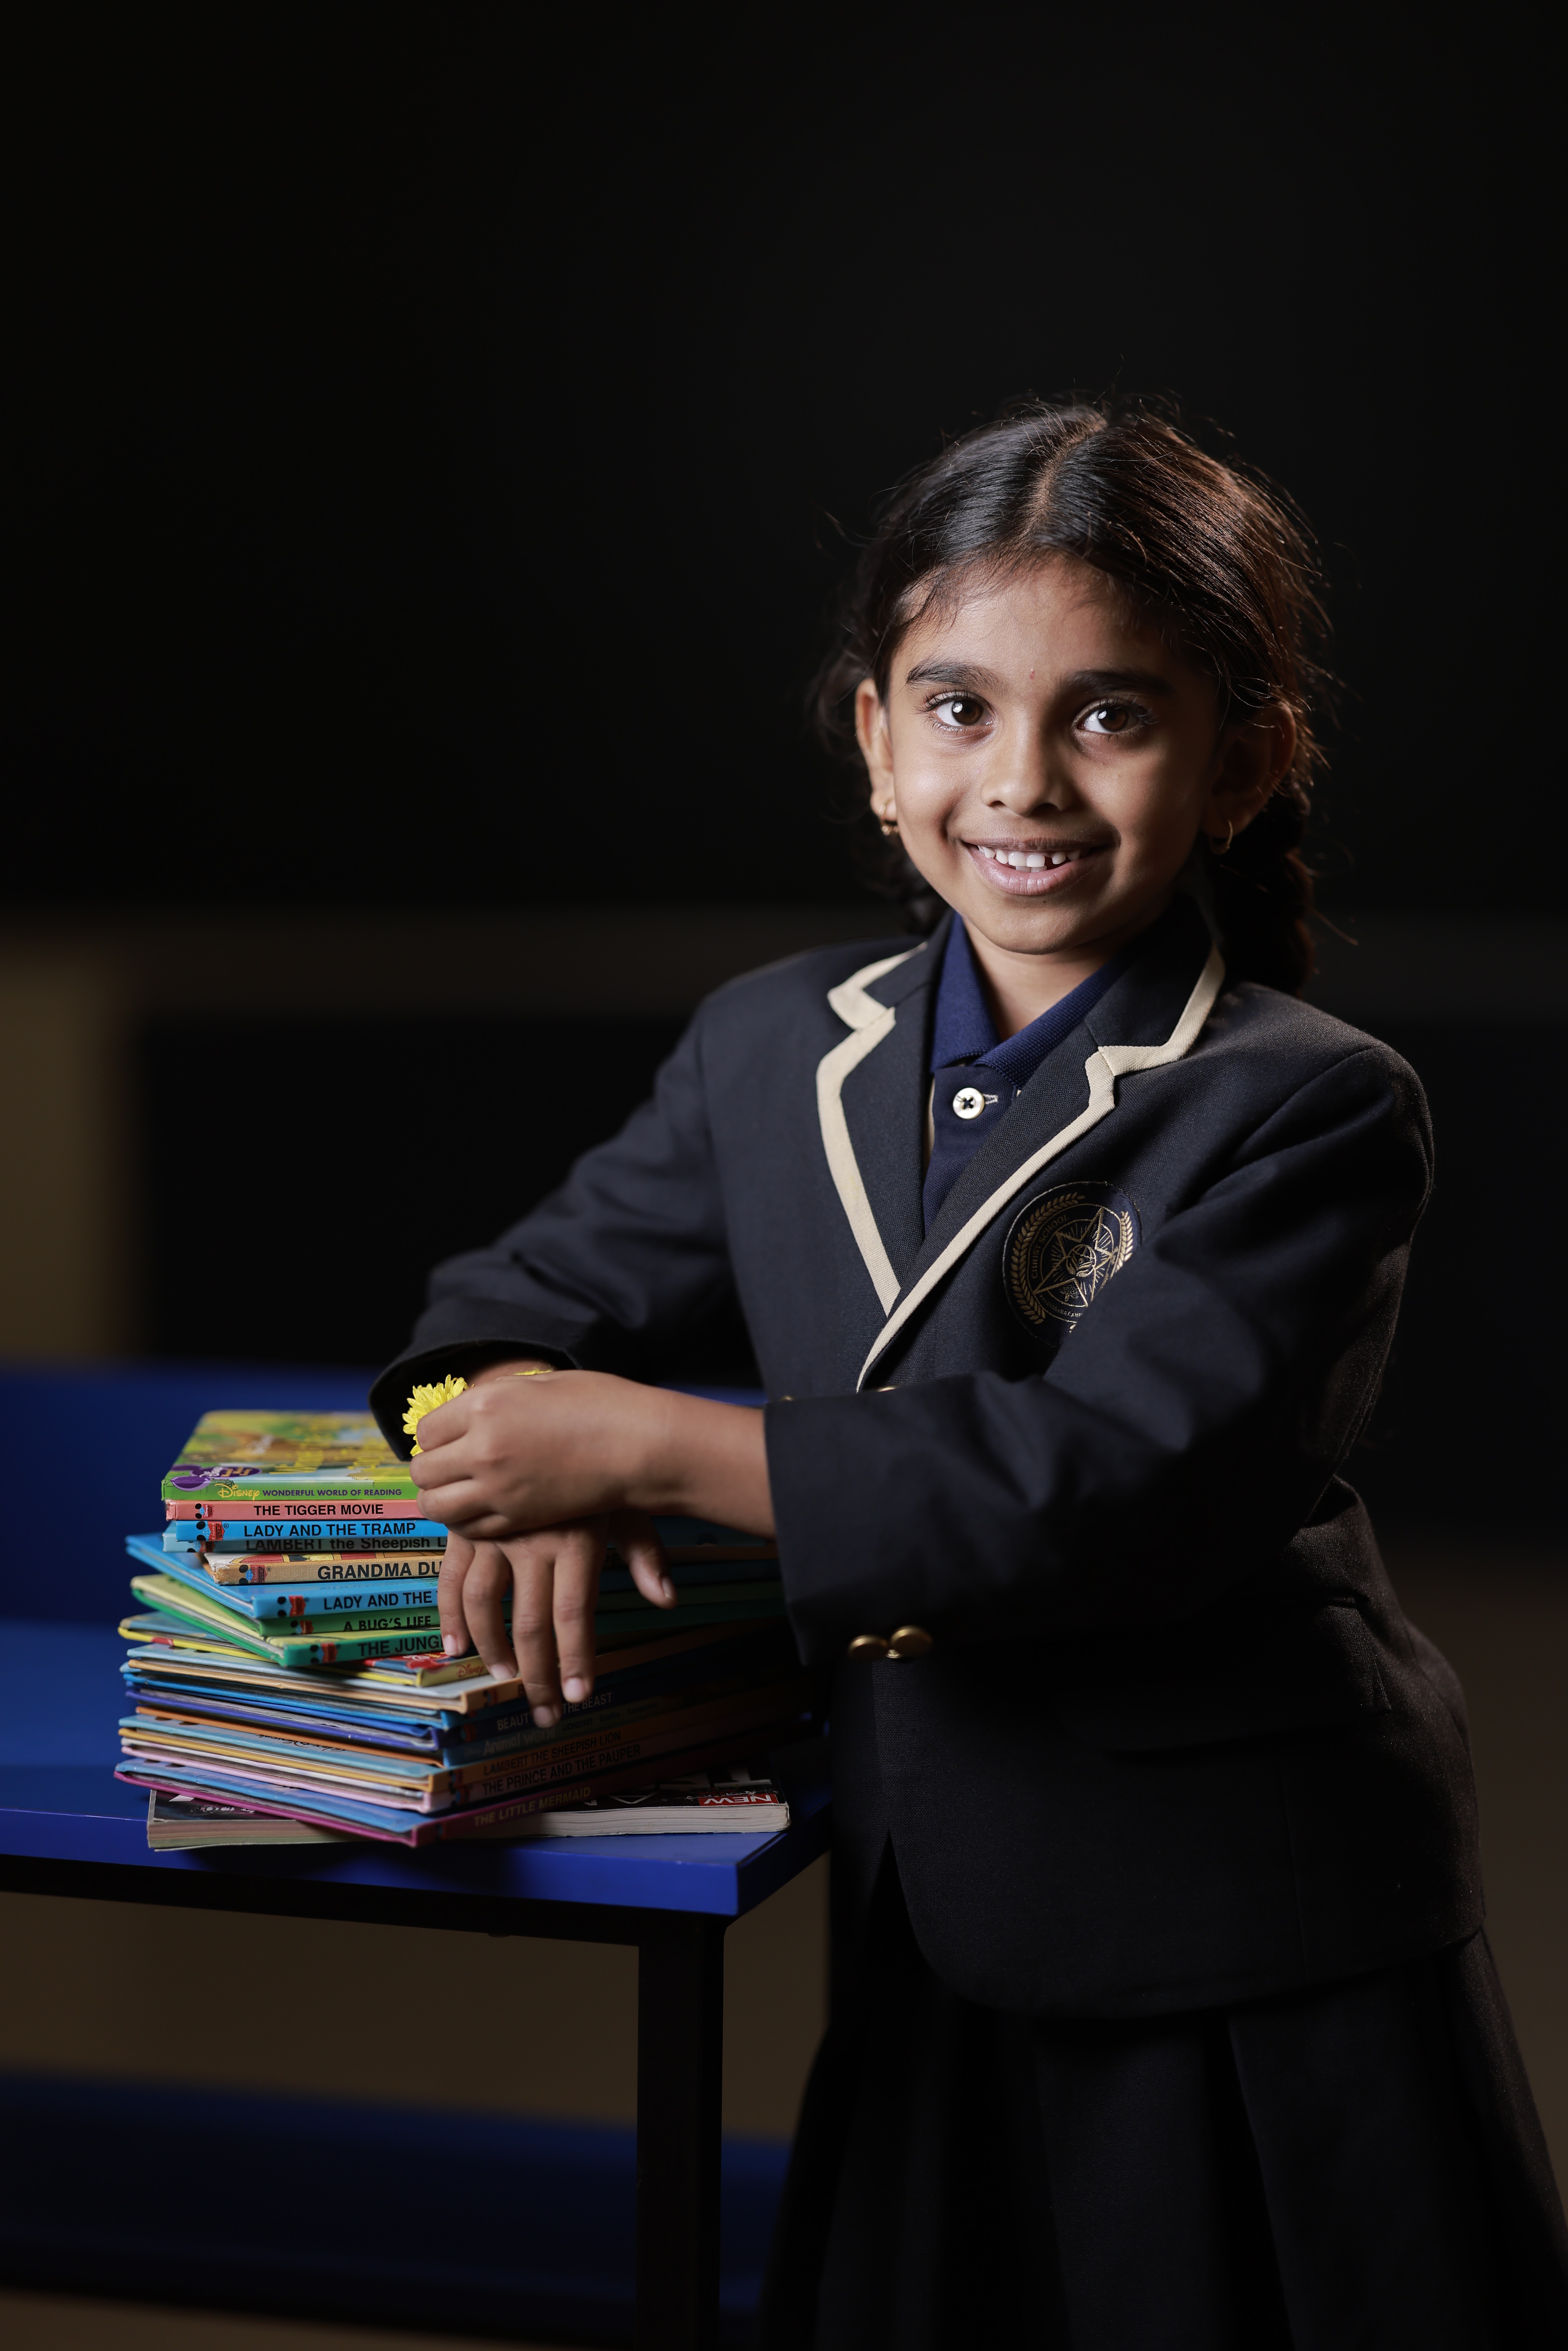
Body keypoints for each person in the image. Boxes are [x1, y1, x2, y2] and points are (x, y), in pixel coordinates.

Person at [370, 404, 1567, 2347]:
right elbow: (489, 1315)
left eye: (1108, 714)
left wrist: (649, 1444)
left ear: (1244, 762)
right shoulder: (770, 1045)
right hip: (935, 1898)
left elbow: (1105, 1486)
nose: (1019, 781)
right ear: (871, 742)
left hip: (1242, 1924)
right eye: (954, 709)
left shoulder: (1307, 1104)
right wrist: (490, 1466)